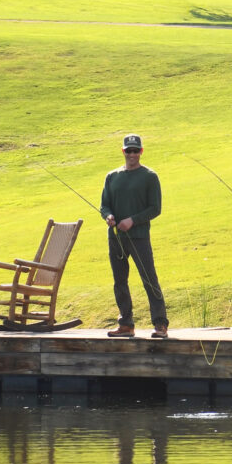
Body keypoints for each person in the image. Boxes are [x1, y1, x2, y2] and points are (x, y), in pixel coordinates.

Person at [100, 133, 167, 339]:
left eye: (135, 150)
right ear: (122, 151)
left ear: (141, 151)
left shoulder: (149, 176)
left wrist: (132, 220)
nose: (132, 154)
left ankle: (160, 325)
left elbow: (155, 209)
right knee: (119, 281)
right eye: (128, 151)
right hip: (116, 238)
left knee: (149, 279)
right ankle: (126, 324)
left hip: (139, 237)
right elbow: (104, 205)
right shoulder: (112, 176)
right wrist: (108, 216)